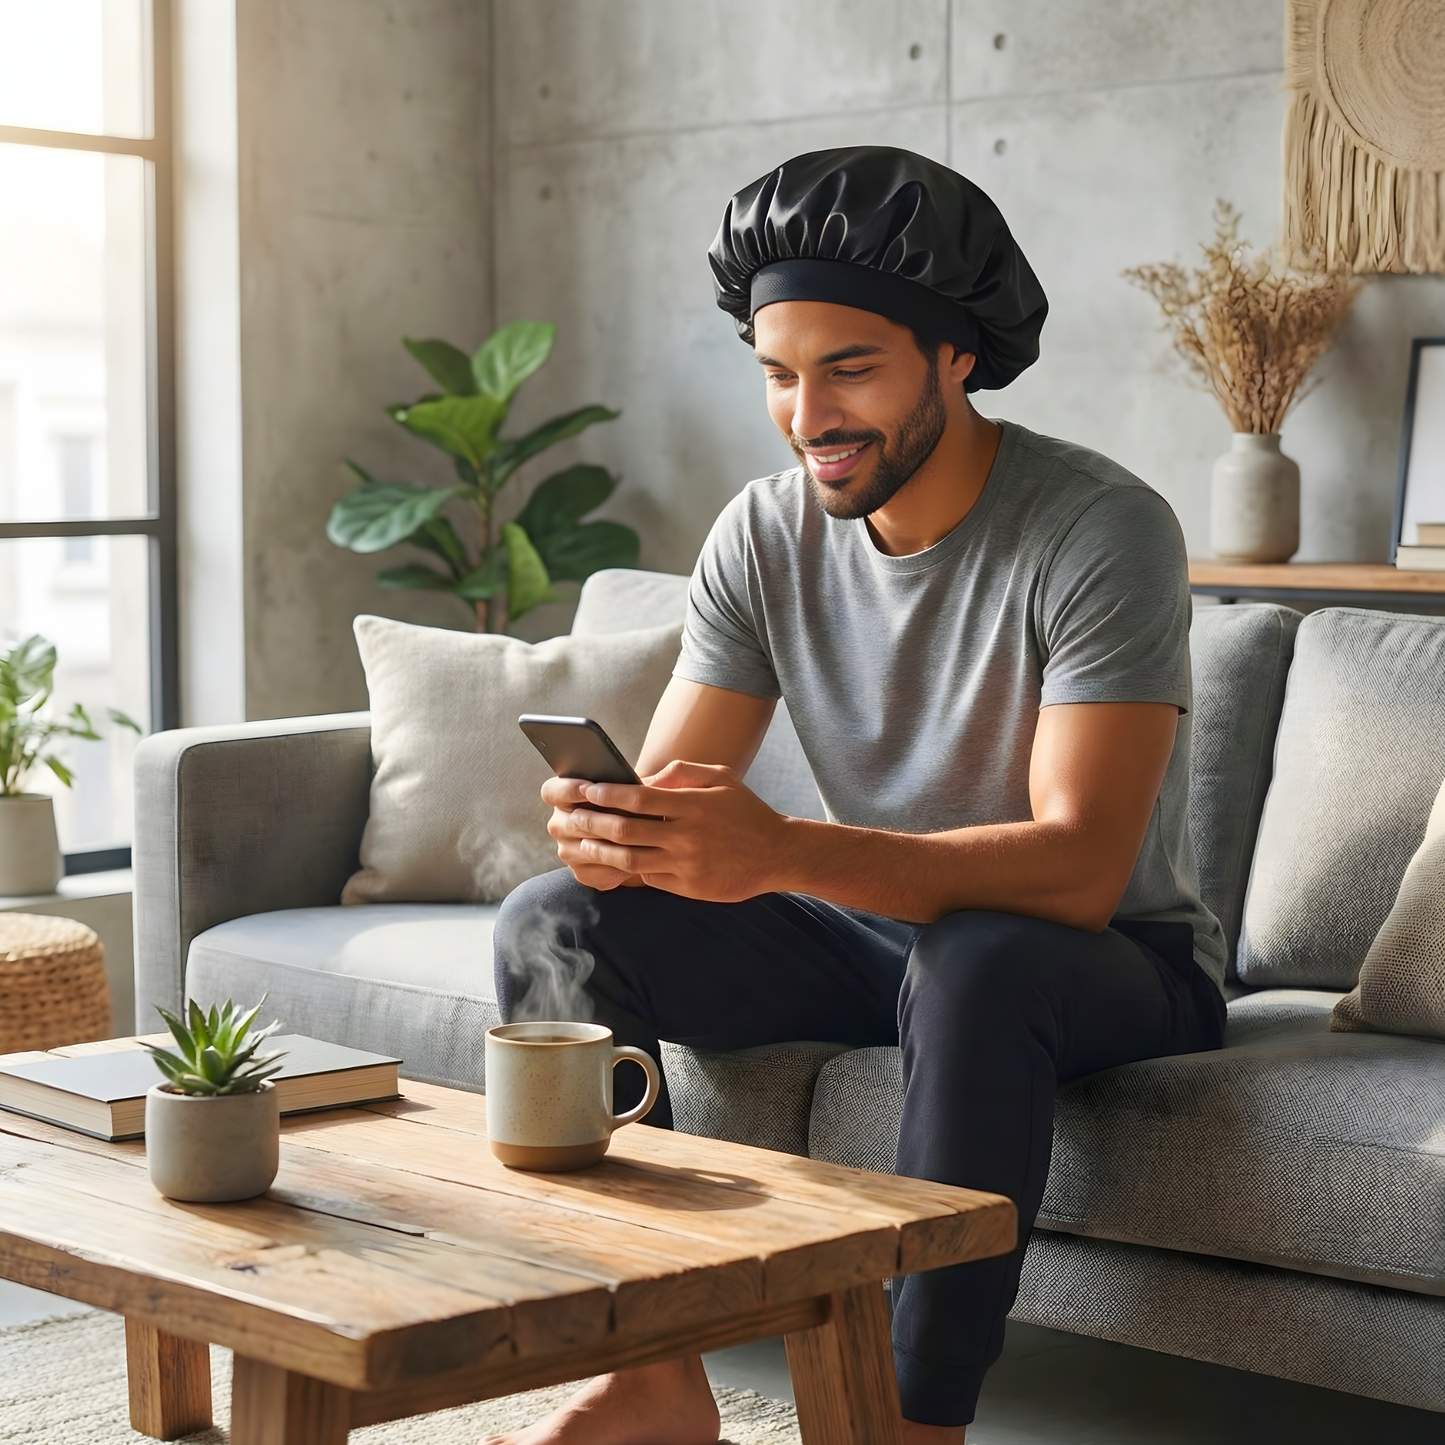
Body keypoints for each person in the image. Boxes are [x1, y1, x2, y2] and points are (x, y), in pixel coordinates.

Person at [487, 146, 1227, 1445]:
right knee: (554, 922)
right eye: (778, 372)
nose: (807, 414)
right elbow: (682, 795)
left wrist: (776, 851)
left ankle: (904, 1424)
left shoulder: (1100, 527)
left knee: (980, 962)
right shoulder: (763, 534)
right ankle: (647, 1372)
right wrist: (622, 838)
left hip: (1105, 957)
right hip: (873, 938)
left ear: (958, 357)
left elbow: (1078, 869)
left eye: (852, 368)